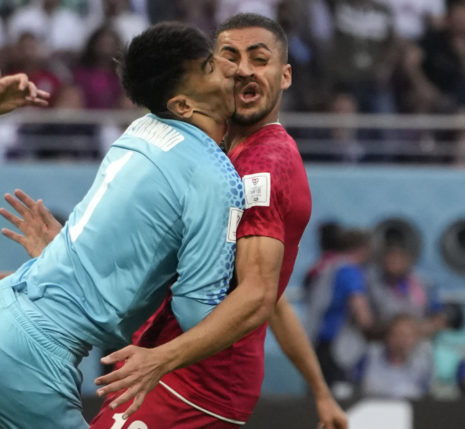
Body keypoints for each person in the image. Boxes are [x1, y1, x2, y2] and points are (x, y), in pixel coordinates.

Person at [2, 15, 347, 429]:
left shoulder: (147, 132)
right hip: (115, 362)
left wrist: (71, 260)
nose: (239, 70)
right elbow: (227, 300)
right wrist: (77, 261)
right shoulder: (212, 170)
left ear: (286, 75)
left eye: (258, 59)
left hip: (181, 375)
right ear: (184, 101)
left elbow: (260, 295)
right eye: (220, 60)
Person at [307, 228, 375, 390]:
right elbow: (359, 306)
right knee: (339, 390)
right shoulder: (350, 270)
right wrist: (374, 330)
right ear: (363, 248)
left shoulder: (328, 266)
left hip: (316, 337)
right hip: (336, 343)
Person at [357, 314, 434, 399]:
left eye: (408, 336)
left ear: (415, 338)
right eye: (398, 334)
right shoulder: (370, 357)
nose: (402, 340)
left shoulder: (423, 363)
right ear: (388, 336)